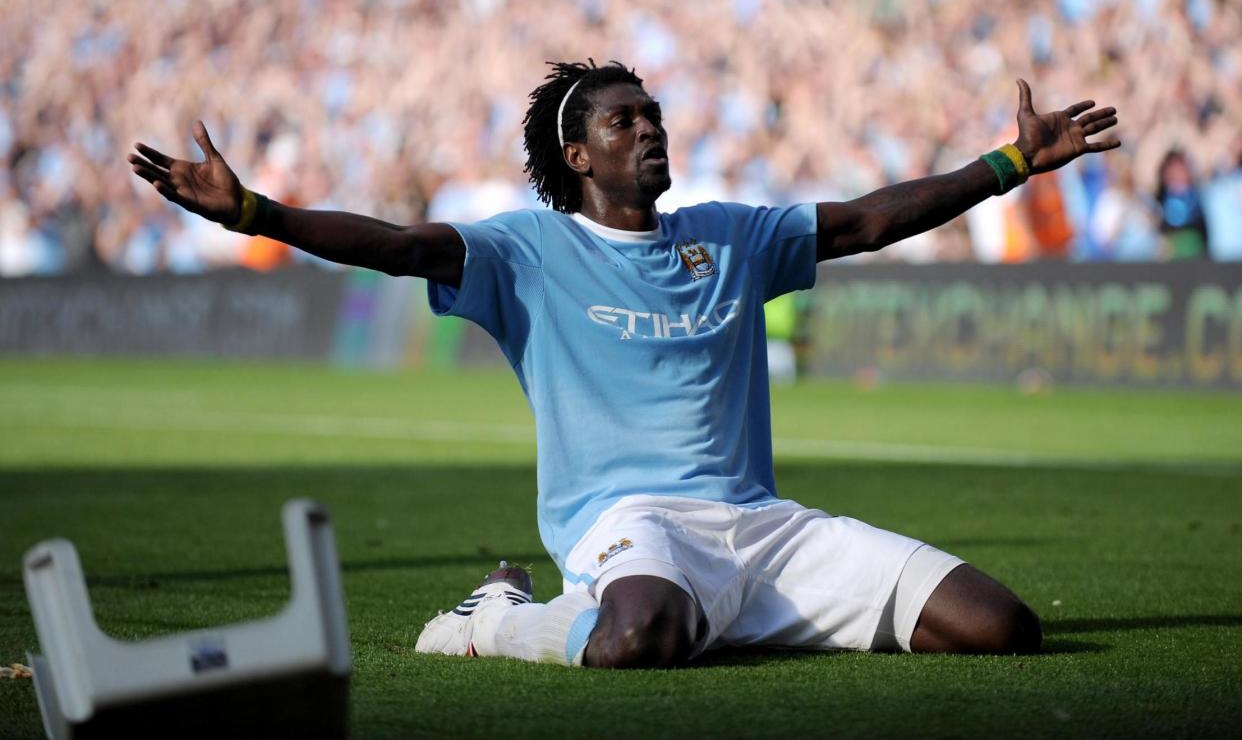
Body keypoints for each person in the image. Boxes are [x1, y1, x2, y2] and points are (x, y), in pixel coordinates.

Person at [128, 60, 1120, 668]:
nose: (650, 130)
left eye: (653, 116)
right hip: (629, 526)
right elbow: (395, 245)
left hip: (762, 527)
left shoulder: (734, 234)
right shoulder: (524, 251)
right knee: (637, 636)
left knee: (1002, 628)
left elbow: (866, 220)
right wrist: (257, 212)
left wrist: (1010, 164)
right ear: (577, 156)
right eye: (623, 122)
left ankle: (713, 618)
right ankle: (499, 618)